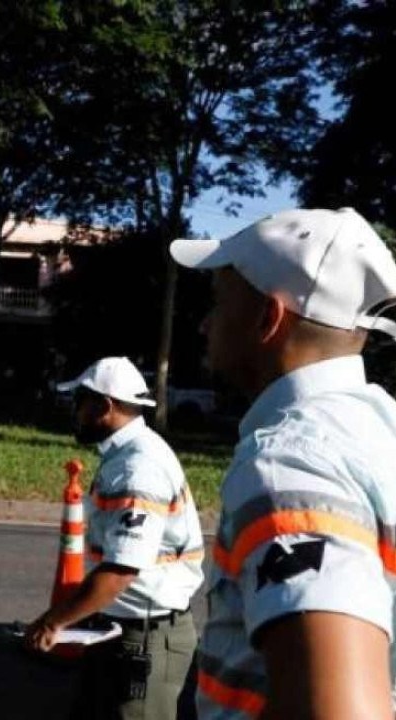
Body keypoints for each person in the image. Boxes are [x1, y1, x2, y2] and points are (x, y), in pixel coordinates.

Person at [169, 207, 396, 719]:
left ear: (268, 319)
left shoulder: (292, 461)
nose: (205, 323)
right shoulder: (378, 431)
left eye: (218, 302)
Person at [27, 356, 204, 720]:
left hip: (143, 640)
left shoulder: (139, 467)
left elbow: (122, 569)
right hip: (118, 631)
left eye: (80, 401)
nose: (74, 411)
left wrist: (52, 622)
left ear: (104, 406)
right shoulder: (125, 455)